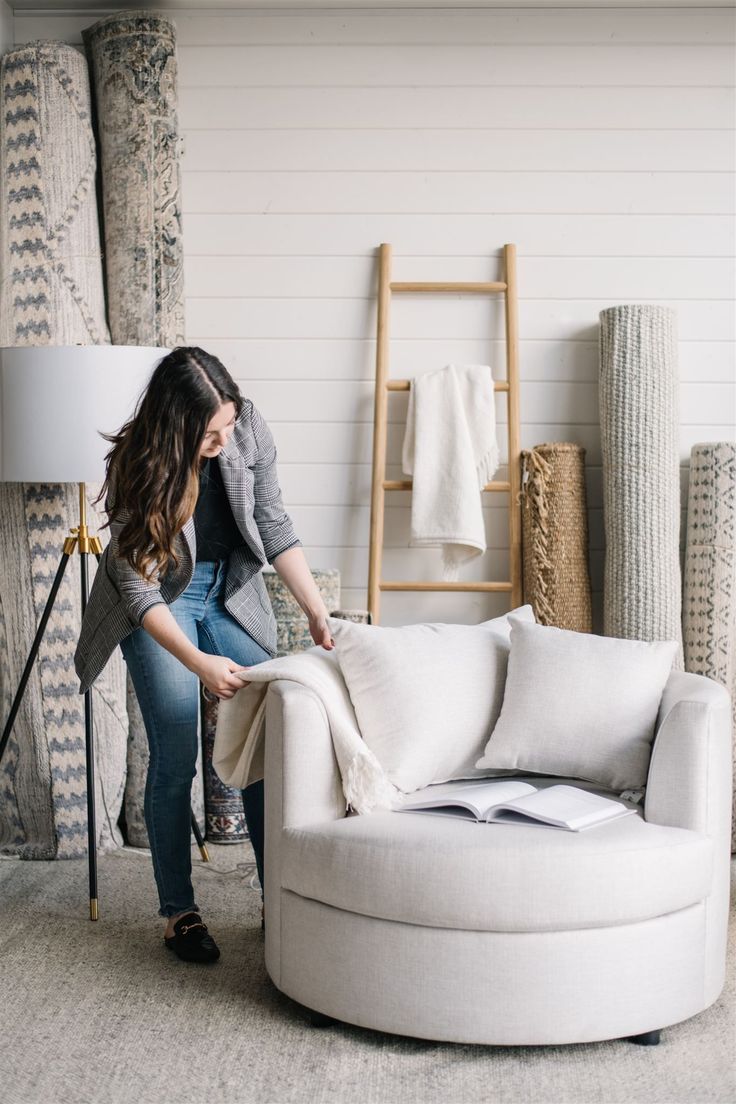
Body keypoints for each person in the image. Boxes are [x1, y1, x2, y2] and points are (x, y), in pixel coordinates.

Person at [74, 346, 333, 963]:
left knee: (265, 738)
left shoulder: (245, 428)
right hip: (162, 602)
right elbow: (136, 587)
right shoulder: (140, 463)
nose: (223, 439)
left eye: (229, 425)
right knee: (175, 753)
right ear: (178, 427)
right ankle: (178, 913)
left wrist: (315, 609)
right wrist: (198, 663)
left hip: (229, 593)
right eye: (210, 432)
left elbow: (272, 522)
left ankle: (281, 901)